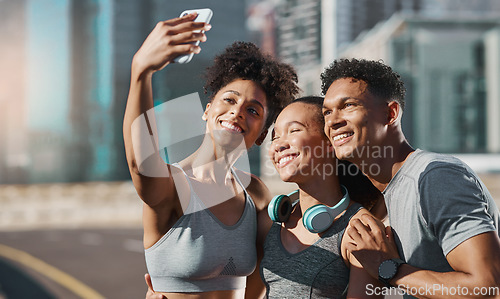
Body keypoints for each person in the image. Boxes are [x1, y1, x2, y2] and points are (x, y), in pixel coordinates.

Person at [123, 12, 299, 298]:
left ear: (262, 134)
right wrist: (141, 71)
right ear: (207, 111)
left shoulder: (255, 193)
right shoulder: (174, 186)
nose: (238, 111)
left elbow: (267, 276)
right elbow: (140, 162)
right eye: (229, 99)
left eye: (253, 110)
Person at [321, 58, 500, 298]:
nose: (333, 121)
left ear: (390, 113)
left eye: (349, 105)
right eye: (327, 113)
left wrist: (389, 268)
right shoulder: (384, 197)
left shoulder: (435, 177)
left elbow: (487, 286)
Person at [258, 96, 385, 298]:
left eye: (293, 130)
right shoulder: (271, 223)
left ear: (330, 142)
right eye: (275, 137)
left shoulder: (360, 230)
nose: (278, 145)